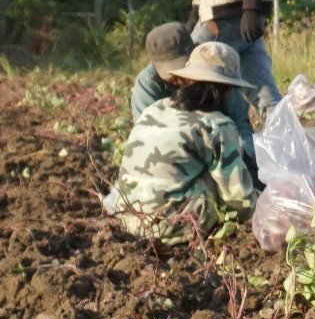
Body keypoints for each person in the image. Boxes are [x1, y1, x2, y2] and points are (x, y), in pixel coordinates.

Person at [102, 39, 259, 237]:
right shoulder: (216, 125)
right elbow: (239, 202)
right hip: (167, 227)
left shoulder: (154, 110)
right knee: (218, 182)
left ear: (187, 80)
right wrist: (263, 201)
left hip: (128, 218)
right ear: (227, 89)